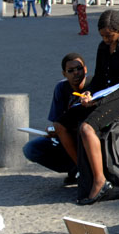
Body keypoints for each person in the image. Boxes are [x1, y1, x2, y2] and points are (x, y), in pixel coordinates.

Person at [54, 10, 119, 205]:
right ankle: (83, 171)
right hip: (102, 93)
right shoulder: (103, 47)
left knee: (87, 127)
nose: (105, 40)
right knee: (61, 124)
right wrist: (89, 93)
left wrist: (98, 102)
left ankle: (100, 180)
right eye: (102, 36)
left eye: (109, 36)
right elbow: (100, 78)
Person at [23, 53, 94, 185]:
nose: (76, 73)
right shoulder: (61, 88)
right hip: (66, 138)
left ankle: (84, 170)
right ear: (64, 74)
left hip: (86, 137)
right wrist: (52, 130)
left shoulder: (93, 85)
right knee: (31, 149)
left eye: (79, 68)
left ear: (85, 69)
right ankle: (74, 167)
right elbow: (57, 120)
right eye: (71, 71)